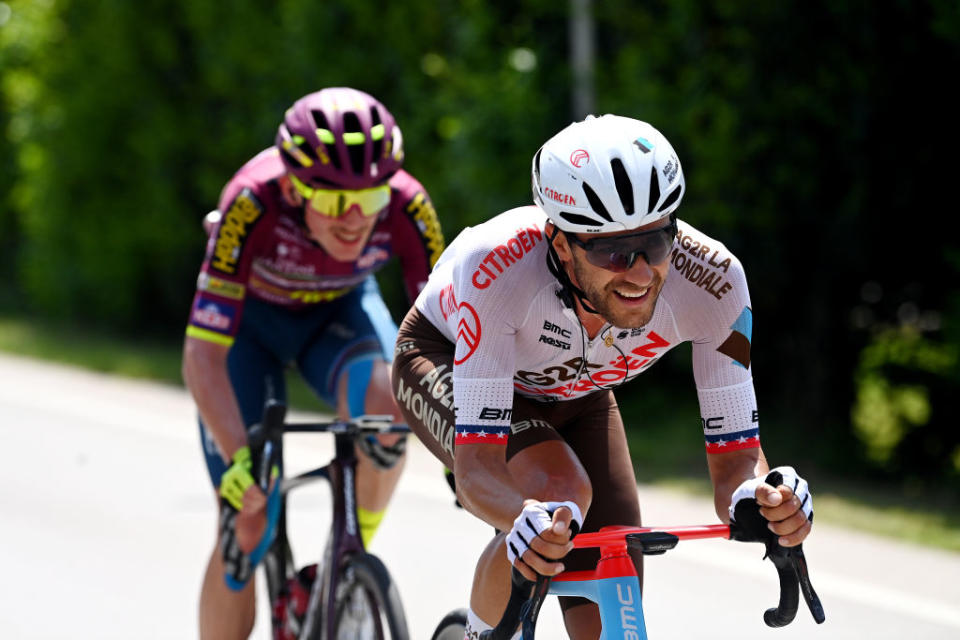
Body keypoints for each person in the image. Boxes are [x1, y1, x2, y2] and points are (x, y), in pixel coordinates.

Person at [390, 114, 813, 638]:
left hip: (578, 394)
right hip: (446, 358)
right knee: (556, 496)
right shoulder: (496, 269)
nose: (638, 273)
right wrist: (522, 521)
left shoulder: (718, 285)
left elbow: (736, 463)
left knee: (617, 560)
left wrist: (765, 499)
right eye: (613, 252)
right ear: (561, 244)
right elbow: (478, 469)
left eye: (656, 244)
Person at [181, 87, 445, 639]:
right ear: (293, 188)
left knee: (392, 400)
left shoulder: (410, 206)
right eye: (331, 202)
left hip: (337, 317)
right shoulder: (251, 202)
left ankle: (341, 568)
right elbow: (203, 356)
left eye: (369, 200)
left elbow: (447, 338)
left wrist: (463, 445)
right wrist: (239, 465)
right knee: (249, 522)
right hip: (246, 334)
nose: (353, 220)